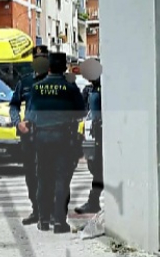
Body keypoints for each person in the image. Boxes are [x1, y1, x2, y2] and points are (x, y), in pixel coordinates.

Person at [23, 52, 84, 233]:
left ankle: (43, 220)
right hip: (63, 138)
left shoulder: (36, 88)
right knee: (61, 179)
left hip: (41, 138)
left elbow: (29, 116)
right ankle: (59, 222)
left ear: (48, 68)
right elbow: (81, 112)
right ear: (64, 67)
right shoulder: (70, 87)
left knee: (43, 178)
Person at [9, 45, 49, 225]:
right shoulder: (24, 82)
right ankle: (36, 210)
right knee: (31, 175)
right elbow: (13, 105)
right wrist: (18, 122)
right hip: (30, 135)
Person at [75, 59, 104, 214]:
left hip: (102, 133)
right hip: (92, 132)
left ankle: (93, 201)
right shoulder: (91, 89)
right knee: (94, 166)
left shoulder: (103, 87)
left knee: (98, 168)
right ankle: (94, 201)